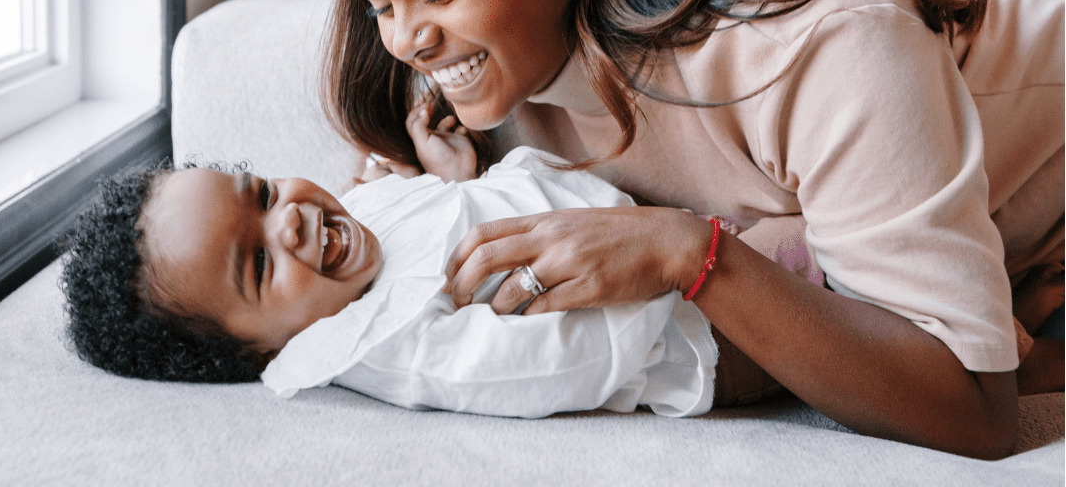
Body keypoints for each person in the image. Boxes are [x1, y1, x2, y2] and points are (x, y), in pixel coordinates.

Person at [319, 0, 1064, 458]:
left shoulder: (812, 40)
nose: (407, 40)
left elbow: (976, 413)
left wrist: (694, 254)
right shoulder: (474, 90)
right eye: (380, 3)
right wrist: (464, 197)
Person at [59, 97, 818, 413]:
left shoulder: (356, 220)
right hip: (703, 330)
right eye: (257, 266)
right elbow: (548, 366)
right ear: (257, 352)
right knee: (845, 259)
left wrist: (453, 177)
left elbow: (436, 223)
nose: (287, 220)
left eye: (258, 193)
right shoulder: (394, 344)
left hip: (670, 232)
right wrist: (664, 283)